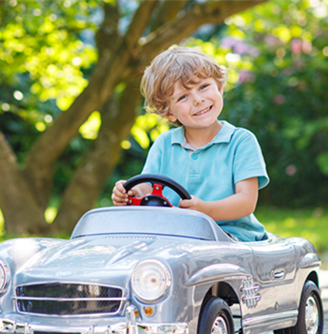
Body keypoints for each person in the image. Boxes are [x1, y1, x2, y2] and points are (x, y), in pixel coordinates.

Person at [111, 46, 269, 242]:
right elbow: (148, 188)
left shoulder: (241, 141)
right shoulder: (164, 144)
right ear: (169, 113)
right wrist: (130, 192)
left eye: (203, 87)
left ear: (219, 87)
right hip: (177, 237)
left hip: (232, 238)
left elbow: (246, 202)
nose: (198, 99)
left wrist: (205, 211)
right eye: (183, 97)